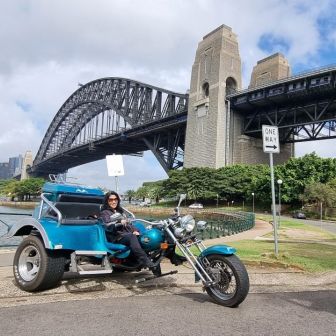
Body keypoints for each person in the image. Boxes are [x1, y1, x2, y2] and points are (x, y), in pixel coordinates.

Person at [100, 191, 155, 270]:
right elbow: (108, 225)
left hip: (126, 235)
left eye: (115, 199)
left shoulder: (120, 211)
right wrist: (118, 223)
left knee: (145, 238)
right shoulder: (105, 213)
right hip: (116, 237)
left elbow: (129, 224)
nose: (114, 201)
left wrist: (135, 231)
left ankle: (158, 261)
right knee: (131, 237)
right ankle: (144, 260)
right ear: (107, 201)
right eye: (110, 200)